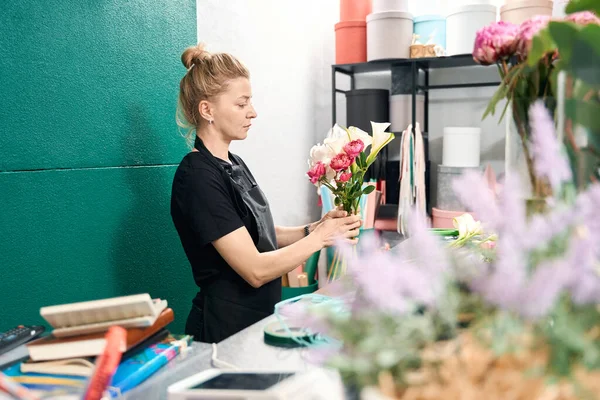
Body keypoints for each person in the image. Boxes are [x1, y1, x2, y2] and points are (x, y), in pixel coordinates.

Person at [170, 44, 362, 343]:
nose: (253, 112)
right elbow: (255, 270)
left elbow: (256, 232)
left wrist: (317, 227)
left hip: (258, 320)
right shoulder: (196, 177)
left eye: (251, 102)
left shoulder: (232, 163)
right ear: (207, 109)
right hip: (225, 330)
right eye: (241, 104)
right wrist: (319, 239)